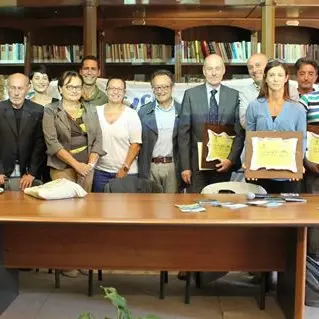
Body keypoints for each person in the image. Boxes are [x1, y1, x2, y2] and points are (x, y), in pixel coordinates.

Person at [178, 54, 245, 193]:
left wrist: (230, 160)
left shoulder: (234, 95)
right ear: (204, 71)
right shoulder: (190, 95)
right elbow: (183, 133)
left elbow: (239, 133)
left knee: (220, 209)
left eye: (217, 68)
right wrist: (185, 167)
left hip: (223, 163)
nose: (214, 73)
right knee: (196, 207)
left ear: (223, 70)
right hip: (196, 166)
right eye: (209, 69)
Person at [245, 59, 306, 193]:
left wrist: (298, 164)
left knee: (287, 213)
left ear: (286, 78)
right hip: (259, 173)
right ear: (265, 78)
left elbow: (302, 140)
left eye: (280, 75)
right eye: (272, 75)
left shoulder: (298, 109)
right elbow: (248, 139)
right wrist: (248, 164)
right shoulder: (254, 107)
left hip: (287, 175)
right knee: (257, 213)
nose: (276, 79)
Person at [43, 71, 105, 194]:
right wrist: (77, 166)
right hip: (61, 167)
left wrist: (89, 166)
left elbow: (98, 139)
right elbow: (52, 143)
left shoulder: (91, 109)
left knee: (85, 206)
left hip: (87, 167)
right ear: (60, 89)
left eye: (78, 87)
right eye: (70, 87)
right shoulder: (50, 110)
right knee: (66, 207)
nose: (74, 90)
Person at [92, 78, 142, 192]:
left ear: (124, 93)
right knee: (100, 208)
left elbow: (136, 145)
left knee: (125, 209)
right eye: (112, 88)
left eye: (119, 89)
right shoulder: (96, 112)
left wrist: (124, 169)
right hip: (101, 172)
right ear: (106, 90)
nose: (115, 92)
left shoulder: (132, 114)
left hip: (127, 173)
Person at [138, 70, 181, 193]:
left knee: (172, 206)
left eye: (165, 87)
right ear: (152, 89)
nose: (160, 91)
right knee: (150, 207)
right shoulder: (143, 112)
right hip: (150, 167)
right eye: (157, 87)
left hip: (173, 166)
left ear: (172, 87)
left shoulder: (183, 111)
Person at [0, 73, 45, 190]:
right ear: (7, 88)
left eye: (20, 88)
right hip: (3, 171)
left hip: (27, 173)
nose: (16, 93)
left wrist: (32, 173)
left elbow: (40, 144)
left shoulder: (38, 111)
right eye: (12, 88)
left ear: (27, 88)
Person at [300, 90, 319, 261]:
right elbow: (300, 130)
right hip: (314, 163)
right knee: (314, 210)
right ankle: (313, 257)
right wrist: (306, 161)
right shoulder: (308, 99)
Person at [239, 53, 268, 129]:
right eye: (250, 67)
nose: (254, 70)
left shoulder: (284, 88)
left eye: (258, 65)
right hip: (255, 137)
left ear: (268, 67)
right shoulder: (245, 92)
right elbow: (244, 122)